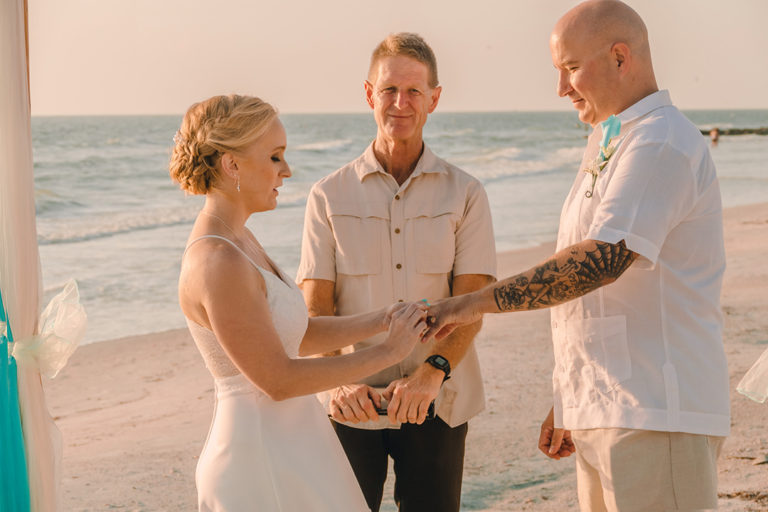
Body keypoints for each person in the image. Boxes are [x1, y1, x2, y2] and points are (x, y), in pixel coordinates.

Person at [424, 1, 729, 511]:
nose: (561, 89)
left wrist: (467, 305)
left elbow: (600, 263)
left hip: (656, 414)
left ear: (619, 57)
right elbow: (594, 305)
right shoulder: (610, 141)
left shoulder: (660, 142)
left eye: (570, 68)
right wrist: (570, 395)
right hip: (608, 409)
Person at [170, 94, 430, 512]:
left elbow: (296, 333)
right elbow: (277, 380)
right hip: (259, 455)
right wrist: (389, 352)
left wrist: (385, 318)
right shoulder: (217, 260)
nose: (286, 171)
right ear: (231, 164)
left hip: (293, 443)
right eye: (274, 157)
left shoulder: (240, 239)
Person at [297, 33, 496, 512]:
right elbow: (315, 309)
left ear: (434, 98)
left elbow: (473, 303)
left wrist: (433, 373)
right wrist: (338, 384)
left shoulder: (466, 194)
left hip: (438, 400)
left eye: (413, 91)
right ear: (370, 94)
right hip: (352, 404)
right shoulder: (328, 196)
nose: (400, 103)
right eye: (389, 90)